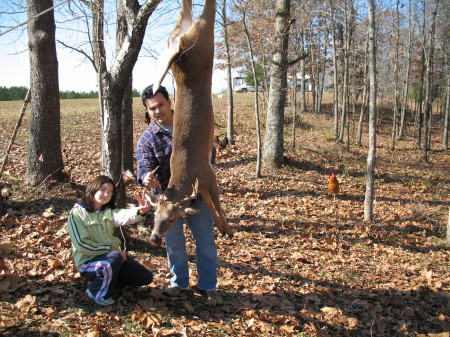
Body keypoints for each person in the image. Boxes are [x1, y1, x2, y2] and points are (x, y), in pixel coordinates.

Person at [136, 85, 223, 306]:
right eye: (152, 108)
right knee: (174, 244)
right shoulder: (148, 138)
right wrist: (147, 178)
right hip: (167, 205)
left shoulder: (191, 126)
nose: (158, 111)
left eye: (161, 105)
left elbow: (208, 153)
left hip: (197, 197)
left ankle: (208, 286)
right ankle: (179, 283)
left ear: (170, 102)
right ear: (147, 110)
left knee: (206, 242)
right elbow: (144, 165)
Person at [67, 175, 153, 306]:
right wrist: (110, 249)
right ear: (93, 188)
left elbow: (122, 215)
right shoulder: (77, 213)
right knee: (113, 258)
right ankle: (96, 291)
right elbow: (81, 244)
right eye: (103, 189)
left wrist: (139, 211)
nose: (106, 194)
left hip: (110, 258)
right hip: (88, 263)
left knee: (145, 277)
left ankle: (107, 282)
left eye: (110, 192)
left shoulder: (106, 212)